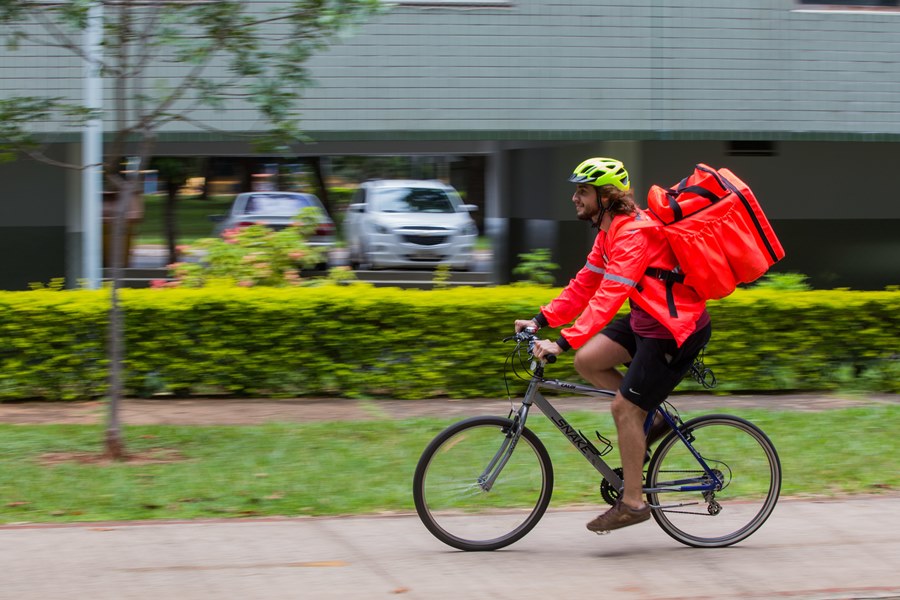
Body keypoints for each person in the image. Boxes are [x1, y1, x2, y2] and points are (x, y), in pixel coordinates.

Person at [514, 157, 712, 533]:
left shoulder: (634, 234)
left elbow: (610, 295)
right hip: (646, 319)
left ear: (606, 196)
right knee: (588, 361)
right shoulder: (609, 232)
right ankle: (649, 418)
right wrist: (541, 319)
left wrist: (563, 341)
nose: (575, 198)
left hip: (674, 329)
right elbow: (585, 284)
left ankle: (634, 503)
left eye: (582, 191)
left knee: (624, 408)